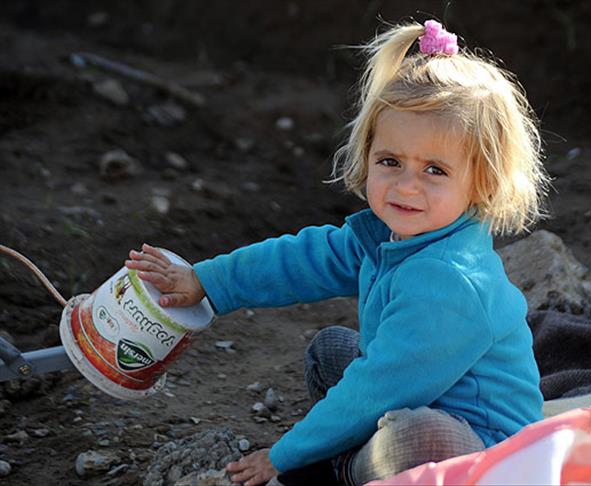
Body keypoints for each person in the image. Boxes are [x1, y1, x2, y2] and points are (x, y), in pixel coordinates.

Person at [126, 19, 549, 486]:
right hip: (403, 398)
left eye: (435, 170)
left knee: (421, 437)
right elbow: (302, 261)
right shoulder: (390, 236)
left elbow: (379, 387)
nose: (406, 185)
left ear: (482, 181)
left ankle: (337, 469)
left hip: (485, 452)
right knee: (330, 349)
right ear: (367, 155)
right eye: (390, 161)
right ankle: (346, 452)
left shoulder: (450, 282)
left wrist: (285, 456)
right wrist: (207, 281)